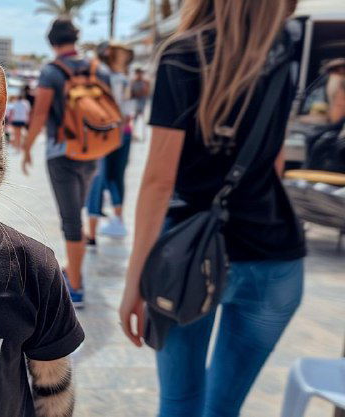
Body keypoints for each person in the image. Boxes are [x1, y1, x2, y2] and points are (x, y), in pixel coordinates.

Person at [118, 1, 305, 416]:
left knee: (181, 403)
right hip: (275, 258)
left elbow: (158, 182)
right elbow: (273, 161)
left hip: (186, 258)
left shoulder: (184, 55)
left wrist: (135, 280)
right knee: (223, 409)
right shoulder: (283, 49)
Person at [21, 18, 110, 308]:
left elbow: (40, 114)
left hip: (62, 154)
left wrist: (27, 147)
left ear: (52, 42)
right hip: (94, 152)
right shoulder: (99, 69)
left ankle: (76, 286)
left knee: (70, 220)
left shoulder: (51, 72)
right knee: (78, 212)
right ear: (75, 38)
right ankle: (73, 268)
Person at [85, 42, 135, 246]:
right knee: (116, 177)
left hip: (105, 133)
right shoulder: (124, 78)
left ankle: (93, 233)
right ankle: (118, 221)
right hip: (125, 133)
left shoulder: (102, 76)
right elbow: (128, 112)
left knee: (97, 180)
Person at [130, 68, 151, 140]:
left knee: (143, 121)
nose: (139, 75)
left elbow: (147, 93)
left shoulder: (145, 82)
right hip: (134, 104)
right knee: (133, 121)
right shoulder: (133, 82)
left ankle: (143, 137)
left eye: (140, 73)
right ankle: (133, 135)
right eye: (138, 73)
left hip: (142, 104)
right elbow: (131, 93)